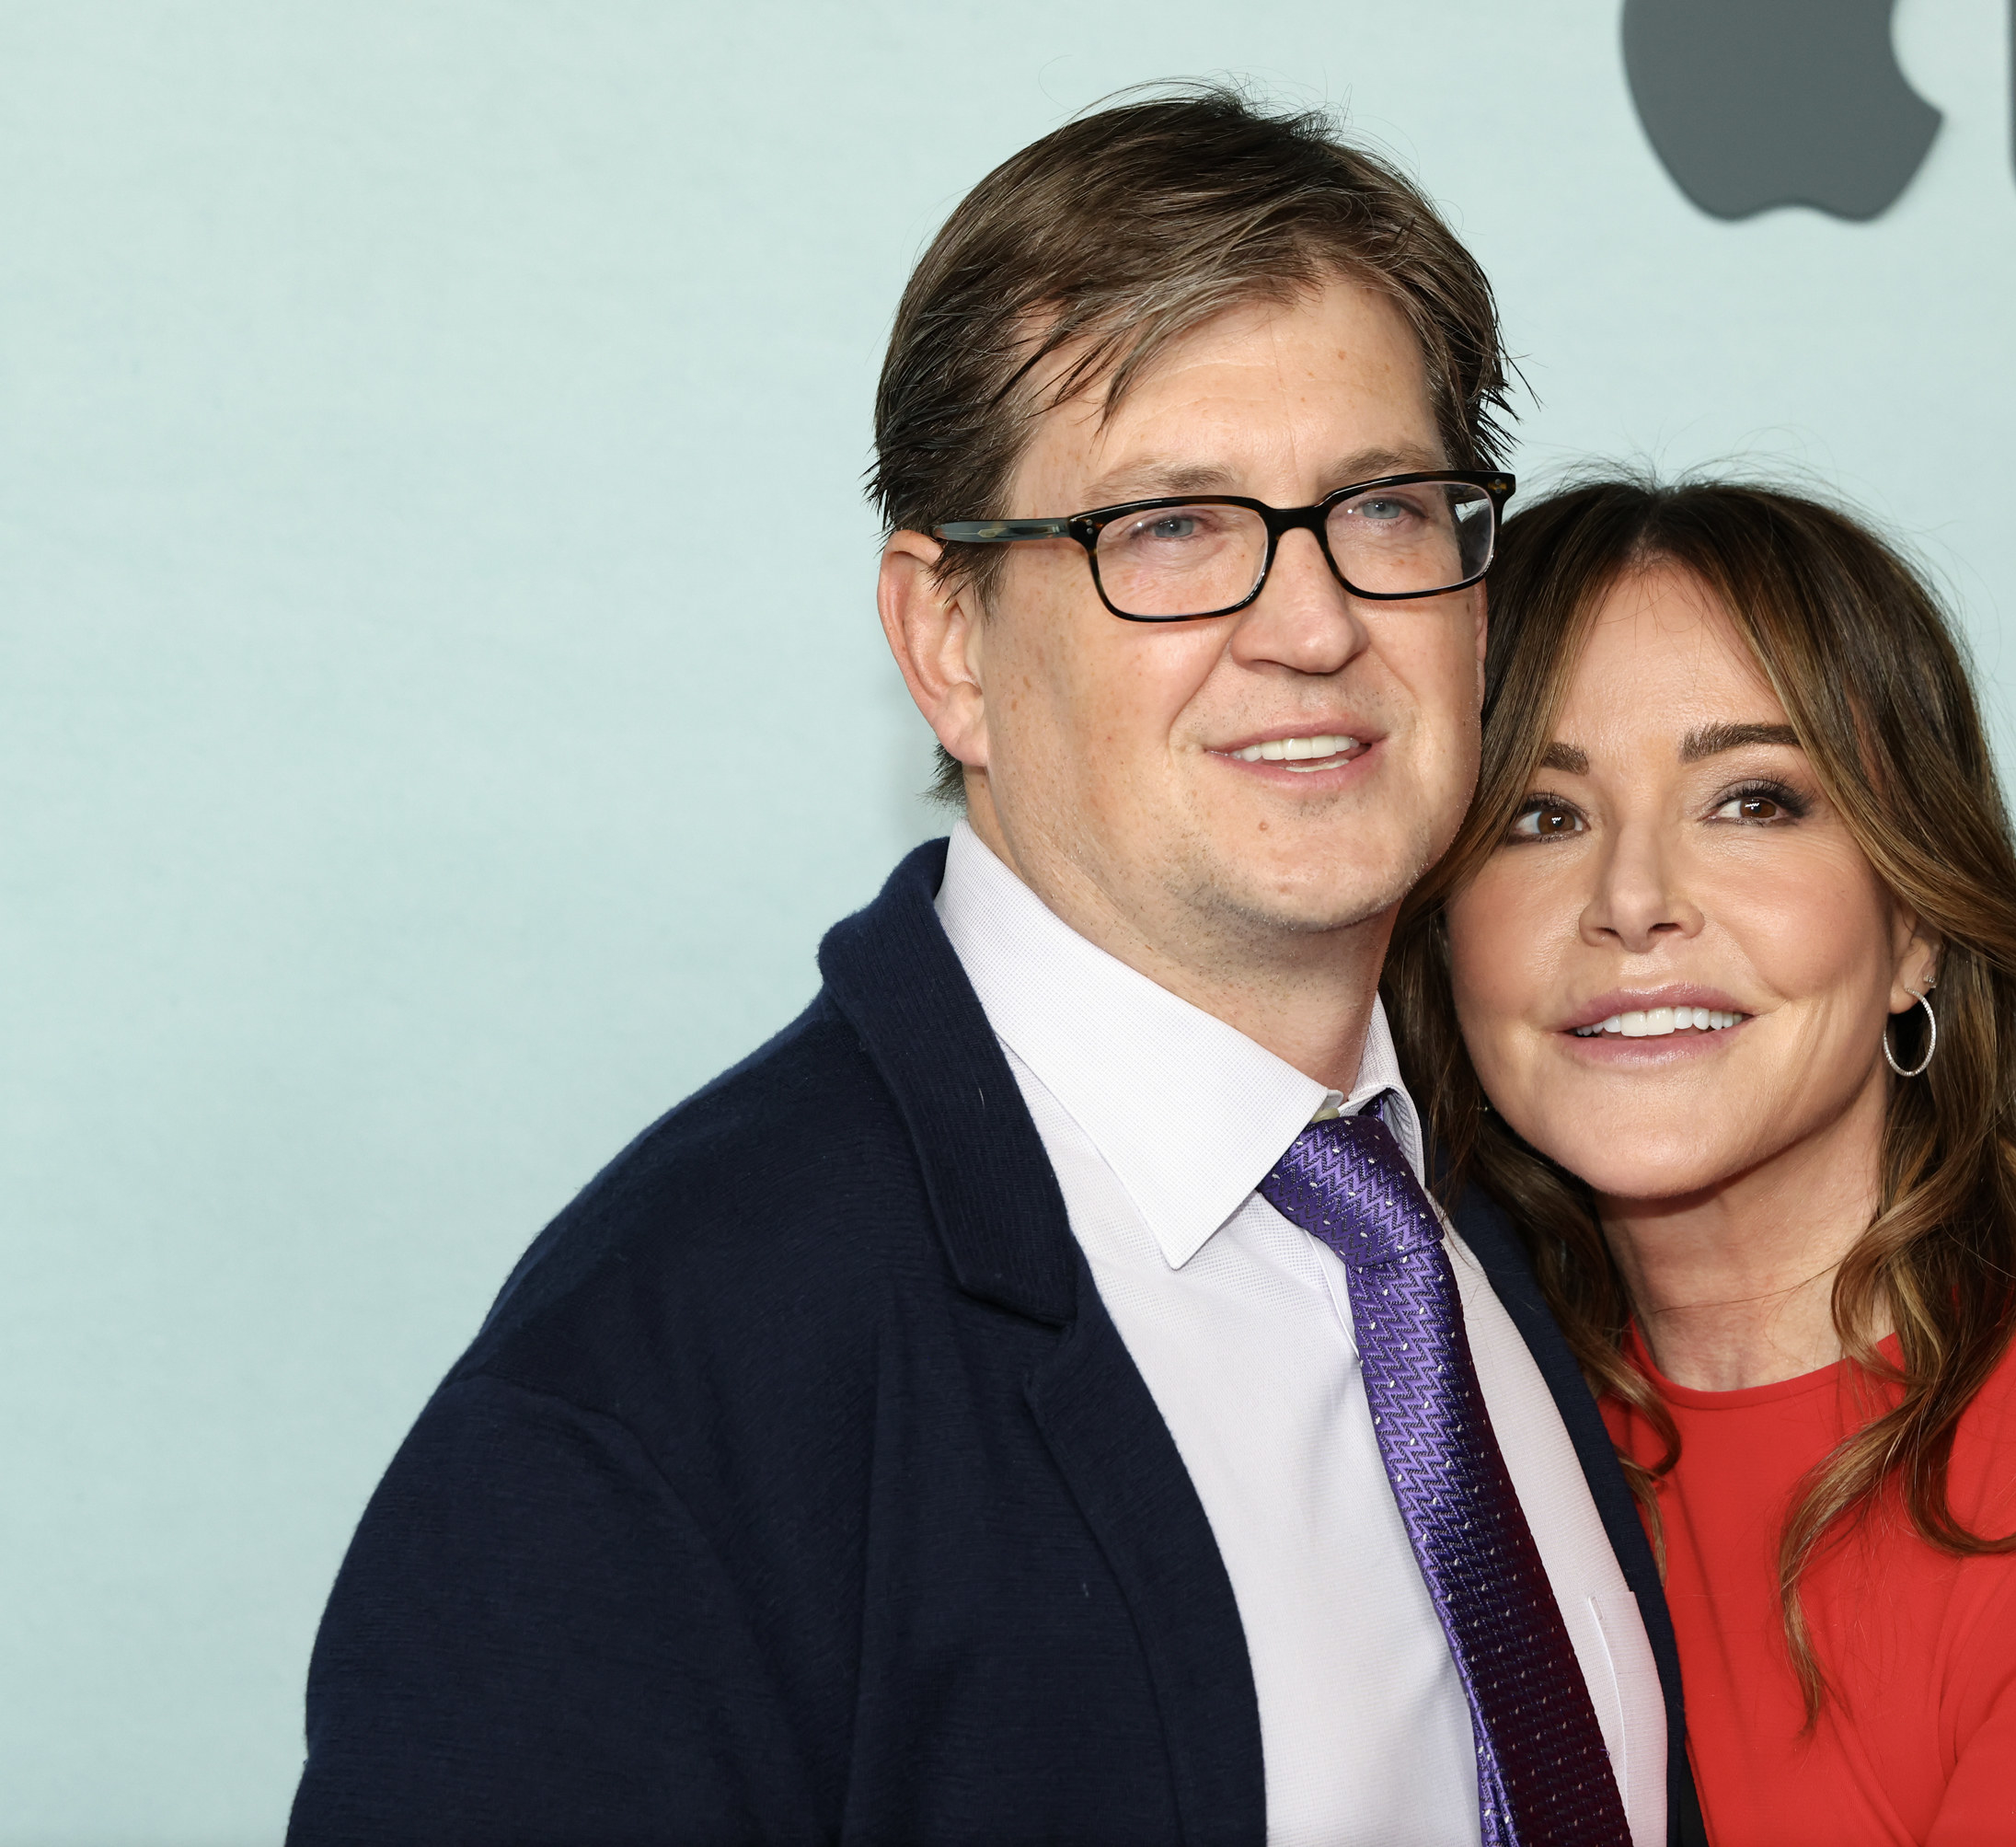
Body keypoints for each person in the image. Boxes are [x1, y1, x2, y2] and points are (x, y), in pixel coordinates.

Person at [290, 95, 1696, 1846]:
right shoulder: (665, 1380)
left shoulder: (1503, 1226)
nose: (1314, 621)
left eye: (1387, 509)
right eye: (1169, 528)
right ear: (947, 641)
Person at [1386, 477, 2016, 1845]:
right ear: (1437, 926)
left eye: (1755, 802)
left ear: (1916, 926)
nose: (1634, 900)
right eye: (1542, 815)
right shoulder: (1414, 1406)